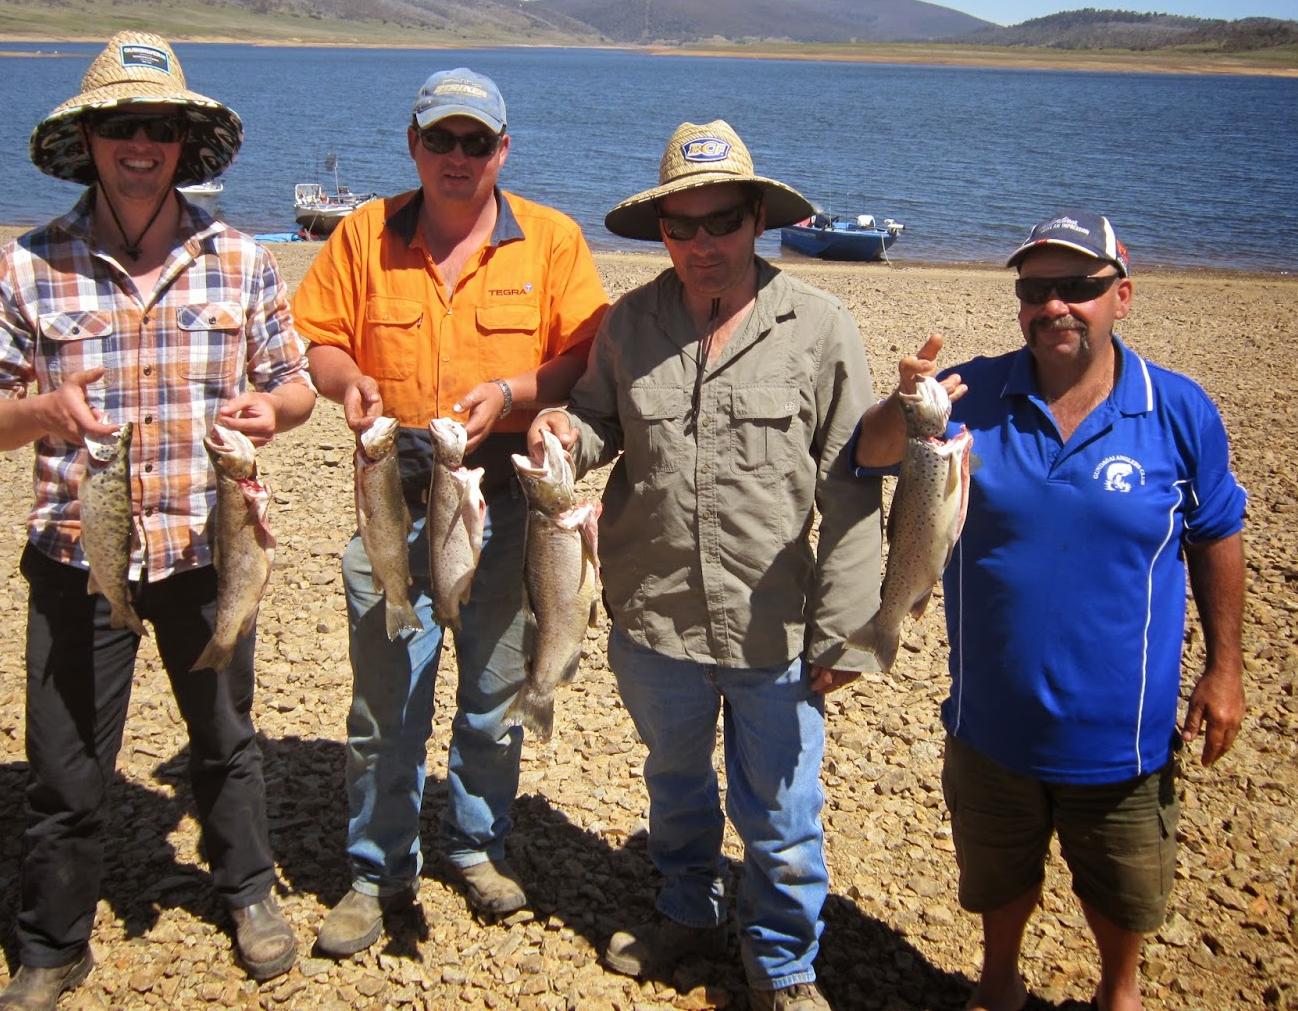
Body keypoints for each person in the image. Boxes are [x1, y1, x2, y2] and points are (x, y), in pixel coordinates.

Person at [0, 31, 316, 1010]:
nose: (140, 144)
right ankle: (54, 944)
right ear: (91, 141)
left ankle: (246, 894)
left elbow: (295, 386)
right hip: (77, 557)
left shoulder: (239, 260)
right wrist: (37, 412)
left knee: (226, 738)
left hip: (210, 551)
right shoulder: (26, 267)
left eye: (158, 127)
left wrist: (267, 412)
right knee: (67, 767)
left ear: (185, 144)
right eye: (121, 126)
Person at [527, 120, 883, 1011]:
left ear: (757, 219)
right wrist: (563, 435)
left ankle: (784, 963)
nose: (700, 244)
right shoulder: (629, 325)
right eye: (680, 227)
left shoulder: (822, 327)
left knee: (784, 815)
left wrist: (850, 628)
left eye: (719, 221)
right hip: (652, 615)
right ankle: (688, 909)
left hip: (778, 627)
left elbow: (851, 490)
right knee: (676, 785)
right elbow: (600, 423)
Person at [854, 210, 1247, 1011]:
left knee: (1124, 892)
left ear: (1123, 297)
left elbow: (1217, 536)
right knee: (999, 878)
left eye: (1079, 288)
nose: (1055, 306)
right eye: (1037, 290)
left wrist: (1226, 667)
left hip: (1125, 731)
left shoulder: (1177, 409)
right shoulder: (976, 390)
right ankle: (998, 985)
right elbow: (870, 452)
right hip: (990, 720)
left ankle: (1118, 993)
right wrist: (905, 403)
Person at [288, 67, 609, 956]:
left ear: (502, 151)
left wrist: (512, 390)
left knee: (496, 689)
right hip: (397, 494)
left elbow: (586, 355)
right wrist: (347, 380)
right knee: (385, 704)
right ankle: (374, 869)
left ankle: (475, 844)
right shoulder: (363, 233)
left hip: (509, 495)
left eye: (477, 142)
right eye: (442, 139)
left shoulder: (550, 241)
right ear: (414, 145)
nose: (458, 157)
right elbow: (316, 339)